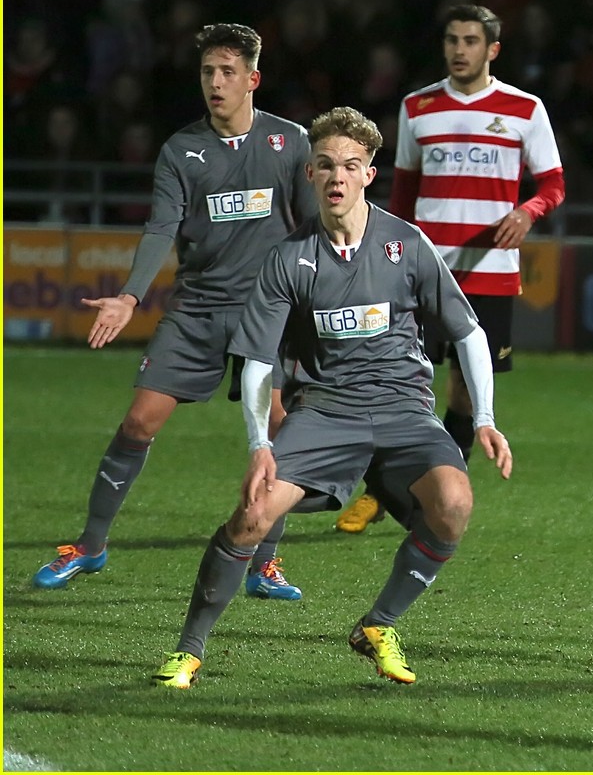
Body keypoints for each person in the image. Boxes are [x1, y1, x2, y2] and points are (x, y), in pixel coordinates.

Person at [151, 106, 512, 689]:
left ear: (370, 173)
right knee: (251, 516)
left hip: (403, 410)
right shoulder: (288, 259)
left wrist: (487, 419)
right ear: (310, 175)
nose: (337, 176)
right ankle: (188, 651)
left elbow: (470, 333)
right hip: (324, 412)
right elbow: (258, 362)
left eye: (351, 165)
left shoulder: (407, 244)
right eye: (325, 165)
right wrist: (259, 443)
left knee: (454, 503)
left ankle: (379, 624)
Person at [33, 23, 315, 600]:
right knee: (139, 422)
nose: (216, 82)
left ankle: (265, 561)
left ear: (252, 80)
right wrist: (131, 295)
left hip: (268, 312)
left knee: (283, 432)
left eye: (228, 72)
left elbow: (312, 227)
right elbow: (161, 226)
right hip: (198, 310)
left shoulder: (291, 143)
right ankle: (89, 547)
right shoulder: (181, 149)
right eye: (208, 71)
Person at [334, 4, 564, 534]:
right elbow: (403, 194)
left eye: (470, 41)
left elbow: (553, 183)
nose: (460, 50)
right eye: (452, 40)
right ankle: (381, 492)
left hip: (490, 273)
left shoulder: (524, 109)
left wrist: (529, 212)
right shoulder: (418, 107)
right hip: (422, 270)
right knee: (401, 382)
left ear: (492, 50)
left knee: (464, 390)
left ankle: (443, 484)